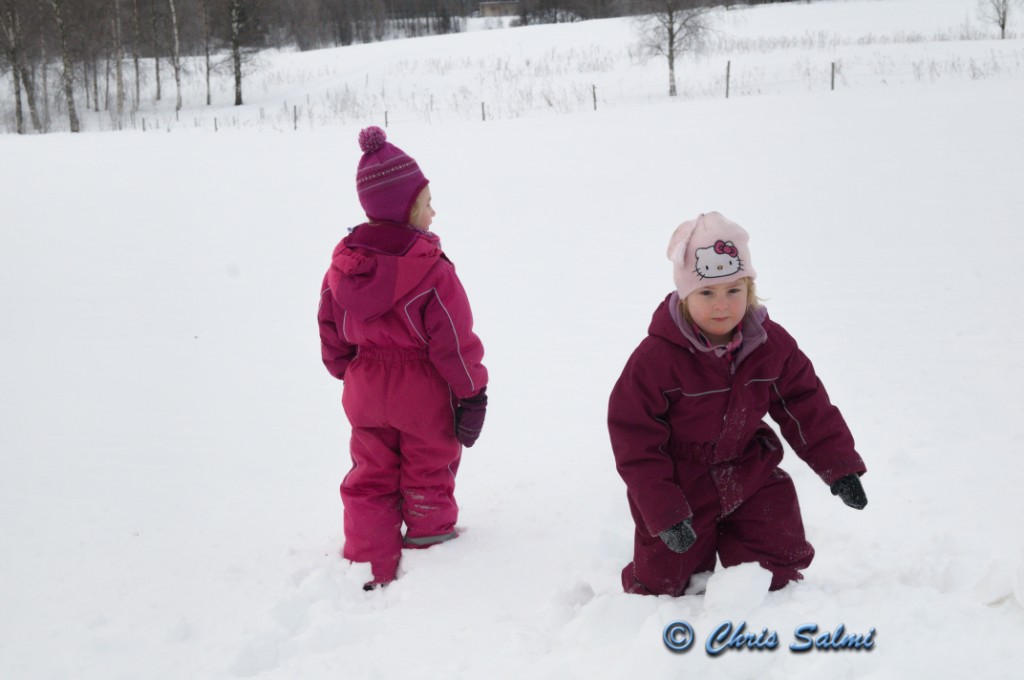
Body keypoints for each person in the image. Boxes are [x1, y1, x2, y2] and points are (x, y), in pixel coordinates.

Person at [608, 211, 867, 597]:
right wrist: (664, 512)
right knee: (666, 584)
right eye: (707, 293)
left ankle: (758, 584)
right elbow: (635, 438)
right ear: (684, 294)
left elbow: (804, 403)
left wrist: (839, 466)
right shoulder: (656, 359)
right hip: (682, 483)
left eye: (734, 290)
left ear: (749, 288)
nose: (722, 306)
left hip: (750, 468)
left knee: (774, 569)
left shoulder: (770, 344)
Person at [318, 126, 489, 590]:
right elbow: (454, 341)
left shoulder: (344, 266)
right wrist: (472, 393)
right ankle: (431, 552)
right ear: (406, 209)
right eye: (426, 202)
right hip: (422, 393)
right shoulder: (431, 270)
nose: (434, 211)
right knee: (428, 470)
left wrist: (343, 367)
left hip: (365, 388)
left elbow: (329, 323)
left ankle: (367, 557)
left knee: (370, 474)